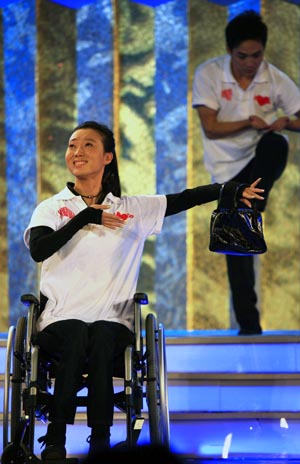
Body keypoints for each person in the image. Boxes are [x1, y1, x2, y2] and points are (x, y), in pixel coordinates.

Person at [23, 120, 264, 461]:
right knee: (77, 332)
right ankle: (56, 439)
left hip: (113, 322)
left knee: (105, 334)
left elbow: (186, 198)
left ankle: (101, 442)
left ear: (108, 157)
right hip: (60, 322)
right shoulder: (51, 208)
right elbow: (39, 250)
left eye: (88, 145)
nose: (77, 151)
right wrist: (84, 218)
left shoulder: (132, 209)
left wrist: (230, 191)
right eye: (72, 145)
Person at [192, 10, 300, 335]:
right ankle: (249, 327)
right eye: (243, 56)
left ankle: (251, 203)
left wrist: (286, 122)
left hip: (256, 165)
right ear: (229, 51)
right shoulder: (209, 74)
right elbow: (210, 128)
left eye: (256, 55)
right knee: (235, 248)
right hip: (226, 172)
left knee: (276, 143)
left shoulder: (275, 78)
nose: (250, 62)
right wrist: (249, 121)